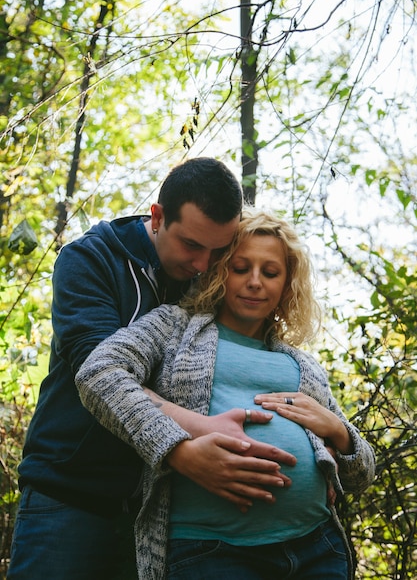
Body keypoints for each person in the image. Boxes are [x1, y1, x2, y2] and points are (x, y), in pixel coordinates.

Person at [8, 160, 296, 580]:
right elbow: (101, 374)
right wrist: (192, 438)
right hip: (69, 497)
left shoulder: (209, 276)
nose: (203, 264)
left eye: (219, 251)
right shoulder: (90, 260)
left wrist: (319, 442)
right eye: (192, 245)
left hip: (156, 516)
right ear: (157, 217)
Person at [75, 209, 376, 580]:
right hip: (209, 551)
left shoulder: (304, 366)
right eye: (240, 268)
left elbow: (361, 476)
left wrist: (339, 431)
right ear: (219, 270)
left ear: (286, 284)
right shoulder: (174, 327)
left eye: (270, 273)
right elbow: (97, 373)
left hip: (315, 549)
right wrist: (174, 449)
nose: (254, 282)